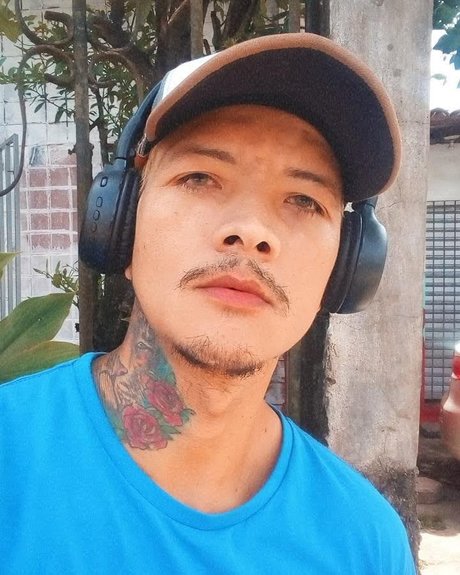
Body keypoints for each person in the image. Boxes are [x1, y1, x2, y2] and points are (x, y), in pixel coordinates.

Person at [0, 33, 416, 573]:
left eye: (304, 200)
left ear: (344, 271)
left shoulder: (366, 543)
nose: (252, 230)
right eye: (200, 177)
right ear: (120, 224)